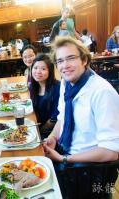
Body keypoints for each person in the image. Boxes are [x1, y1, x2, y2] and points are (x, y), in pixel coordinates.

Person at [43, 36, 119, 196]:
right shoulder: (66, 83)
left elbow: (111, 151)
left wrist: (63, 159)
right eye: (60, 61)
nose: (65, 66)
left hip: (88, 171)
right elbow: (62, 118)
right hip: (64, 155)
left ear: (84, 60)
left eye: (71, 58)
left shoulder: (102, 92)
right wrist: (52, 137)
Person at [30, 54, 60, 139]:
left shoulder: (57, 87)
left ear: (50, 71)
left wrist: (39, 131)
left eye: (43, 69)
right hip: (36, 126)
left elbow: (55, 117)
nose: (38, 72)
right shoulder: (33, 86)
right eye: (35, 68)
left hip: (50, 134)